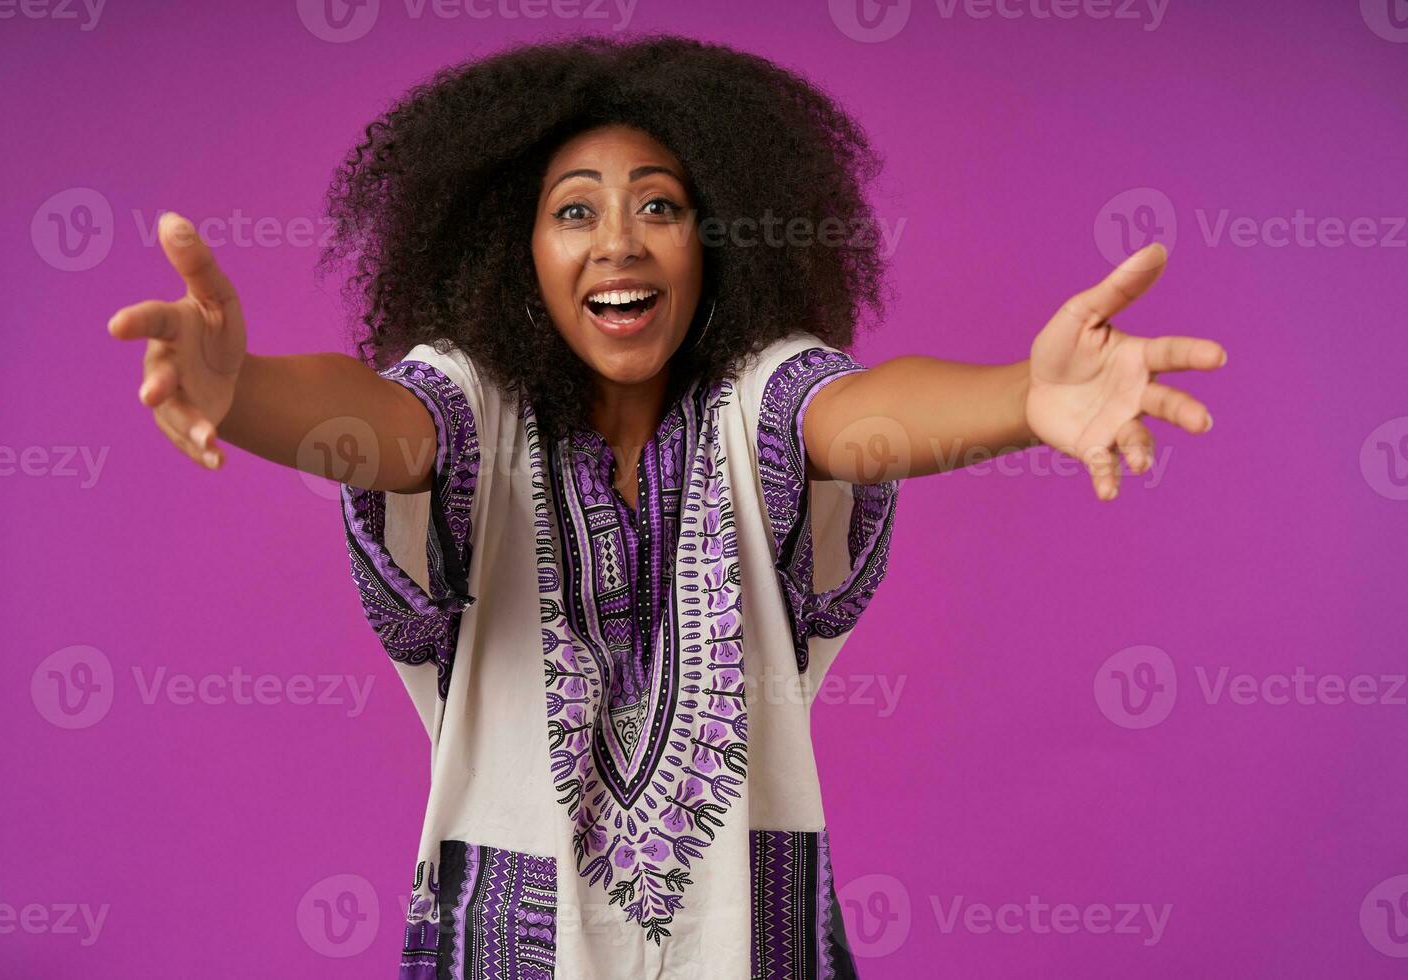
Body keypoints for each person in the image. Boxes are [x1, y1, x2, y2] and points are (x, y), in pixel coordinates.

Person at [105, 34, 1225, 980]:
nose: (619, 240)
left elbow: (866, 414)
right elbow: (373, 425)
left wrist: (1024, 400)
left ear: (715, 241)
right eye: (573, 210)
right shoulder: (473, 408)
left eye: (661, 205)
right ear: (518, 253)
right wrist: (239, 389)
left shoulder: (756, 404)